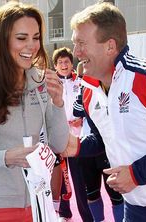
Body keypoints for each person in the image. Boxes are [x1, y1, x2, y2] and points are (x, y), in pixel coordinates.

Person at [66, 2, 146, 221]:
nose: (76, 52)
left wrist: (137, 174)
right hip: (133, 207)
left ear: (110, 46)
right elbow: (104, 138)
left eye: (81, 43)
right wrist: (77, 146)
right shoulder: (89, 89)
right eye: (74, 43)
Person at [0, 2, 69, 222]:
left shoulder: (41, 81)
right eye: (22, 38)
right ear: (2, 41)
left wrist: (58, 104)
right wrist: (7, 157)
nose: (32, 45)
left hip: (39, 202)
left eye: (36, 37)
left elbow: (59, 145)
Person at [73, 62, 124, 222]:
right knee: (92, 193)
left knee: (115, 194)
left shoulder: (110, 87)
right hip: (88, 148)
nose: (84, 77)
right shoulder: (85, 89)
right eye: (81, 75)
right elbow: (77, 110)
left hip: (108, 149)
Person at [52, 47, 93, 222]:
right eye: (60, 62)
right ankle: (64, 213)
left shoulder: (80, 82)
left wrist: (82, 118)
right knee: (60, 178)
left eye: (66, 62)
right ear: (55, 65)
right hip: (58, 138)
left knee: (79, 180)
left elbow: (88, 104)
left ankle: (86, 215)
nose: (63, 65)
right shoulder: (51, 84)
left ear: (72, 63)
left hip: (78, 137)